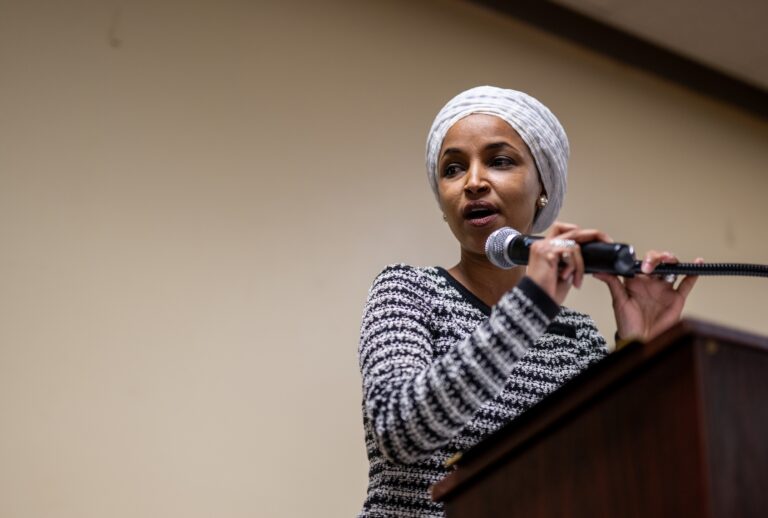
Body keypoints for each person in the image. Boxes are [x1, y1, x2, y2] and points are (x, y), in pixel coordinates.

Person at [356, 86, 700, 518]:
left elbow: (614, 477)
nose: (474, 182)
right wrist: (529, 307)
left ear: (543, 189)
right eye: (453, 169)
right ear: (442, 204)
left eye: (500, 161)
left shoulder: (576, 339)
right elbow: (398, 431)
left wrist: (642, 354)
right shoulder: (408, 291)